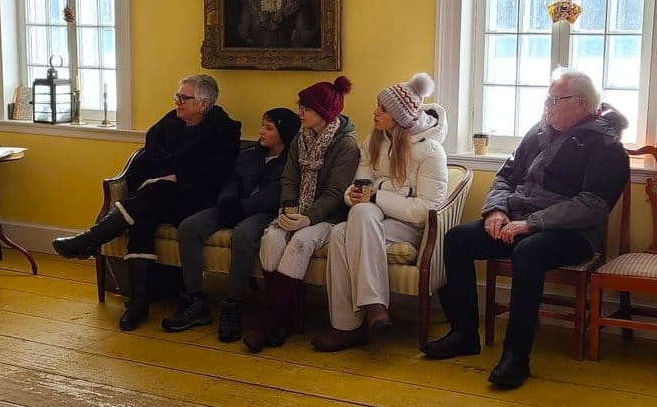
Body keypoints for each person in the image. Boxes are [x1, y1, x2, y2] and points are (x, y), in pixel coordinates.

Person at [422, 68, 628, 391]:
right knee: (458, 239)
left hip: (571, 235)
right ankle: (464, 333)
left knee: (528, 252)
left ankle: (517, 357)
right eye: (547, 98)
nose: (547, 105)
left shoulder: (606, 146)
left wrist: (531, 224)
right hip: (517, 221)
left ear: (581, 104)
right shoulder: (539, 131)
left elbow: (592, 205)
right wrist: (496, 210)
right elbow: (506, 175)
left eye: (554, 99)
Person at [53, 75, 240, 331]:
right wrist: (156, 178)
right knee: (144, 216)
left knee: (153, 194)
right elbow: (150, 157)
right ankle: (139, 304)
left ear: (203, 104)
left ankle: (90, 240)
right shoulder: (170, 122)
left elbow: (216, 173)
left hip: (199, 198)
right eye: (177, 96)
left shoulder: (224, 129)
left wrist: (173, 177)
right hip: (162, 195)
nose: (177, 102)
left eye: (184, 98)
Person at [312, 73, 449, 352]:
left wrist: (377, 193)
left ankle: (358, 317)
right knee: (344, 228)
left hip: (409, 227)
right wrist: (354, 196)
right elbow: (357, 190)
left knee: (349, 227)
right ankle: (359, 317)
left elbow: (426, 210)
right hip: (372, 219)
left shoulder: (431, 151)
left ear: (399, 116)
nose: (375, 112)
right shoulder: (373, 142)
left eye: (382, 109)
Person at [163, 107, 301, 342]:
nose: (261, 132)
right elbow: (231, 181)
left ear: (283, 134)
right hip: (232, 206)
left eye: (268, 128)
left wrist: (243, 208)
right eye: (262, 126)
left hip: (262, 213)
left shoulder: (291, 162)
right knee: (189, 227)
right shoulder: (248, 155)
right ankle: (194, 299)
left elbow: (273, 195)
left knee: (243, 235)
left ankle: (233, 303)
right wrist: (227, 202)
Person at [243, 76, 357, 353]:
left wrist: (308, 218)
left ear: (325, 113)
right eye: (301, 107)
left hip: (328, 217)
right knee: (271, 240)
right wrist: (288, 209)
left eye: (307, 108)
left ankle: (267, 324)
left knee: (301, 242)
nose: (300, 113)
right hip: (296, 209)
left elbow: (334, 192)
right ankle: (284, 320)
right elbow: (288, 179)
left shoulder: (346, 146)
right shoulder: (299, 139)